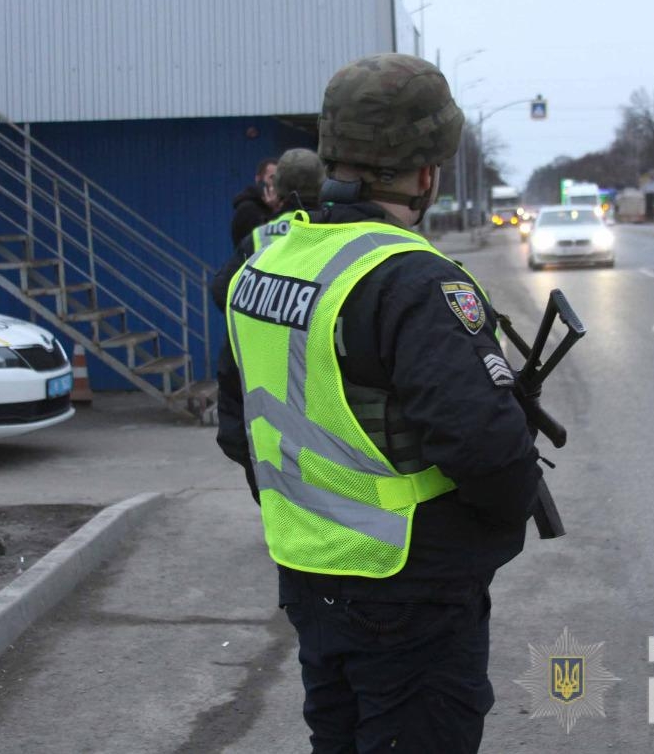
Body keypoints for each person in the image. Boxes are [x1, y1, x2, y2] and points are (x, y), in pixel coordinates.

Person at [216, 53, 542, 753]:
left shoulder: (264, 263)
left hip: (309, 577)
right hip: (409, 594)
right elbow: (488, 451)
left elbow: (237, 427)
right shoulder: (412, 280)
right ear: (427, 172)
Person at [209, 147, 326, 310]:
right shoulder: (339, 229)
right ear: (322, 185)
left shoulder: (260, 236)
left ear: (278, 187)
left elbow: (222, 290)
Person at [229, 157, 280, 247]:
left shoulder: (282, 205)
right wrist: (274, 212)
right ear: (258, 180)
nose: (276, 183)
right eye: (272, 178)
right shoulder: (247, 210)